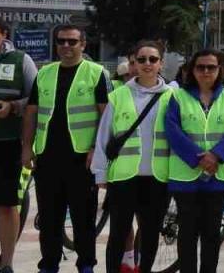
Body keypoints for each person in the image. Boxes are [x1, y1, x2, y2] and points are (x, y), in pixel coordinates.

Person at [22, 23, 109, 273]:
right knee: (49, 219)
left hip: (81, 159)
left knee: (83, 218)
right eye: (61, 41)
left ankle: (86, 265)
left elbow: (106, 116)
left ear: (83, 44)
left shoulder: (96, 72)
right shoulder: (45, 73)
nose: (66, 46)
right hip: (48, 157)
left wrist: (96, 148)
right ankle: (48, 265)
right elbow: (31, 113)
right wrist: (27, 147)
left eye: (72, 41)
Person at [92, 40, 174, 273]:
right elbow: (104, 135)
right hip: (124, 178)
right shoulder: (119, 95)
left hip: (159, 177)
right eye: (142, 59)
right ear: (134, 63)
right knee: (118, 234)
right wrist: (100, 172)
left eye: (153, 59)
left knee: (149, 234)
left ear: (161, 63)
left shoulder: (173, 96)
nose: (147, 64)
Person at [164, 49, 224, 273]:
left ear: (220, 70)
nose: (206, 71)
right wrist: (198, 158)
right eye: (201, 67)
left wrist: (216, 155)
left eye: (212, 67)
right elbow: (172, 130)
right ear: (192, 70)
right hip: (186, 177)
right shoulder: (177, 96)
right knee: (187, 233)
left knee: (211, 234)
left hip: (218, 176)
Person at [0, 13, 37, 273]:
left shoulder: (21, 61)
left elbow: (35, 99)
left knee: (6, 205)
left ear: (4, 35)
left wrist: (12, 107)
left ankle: (7, 263)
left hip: (6, 143)